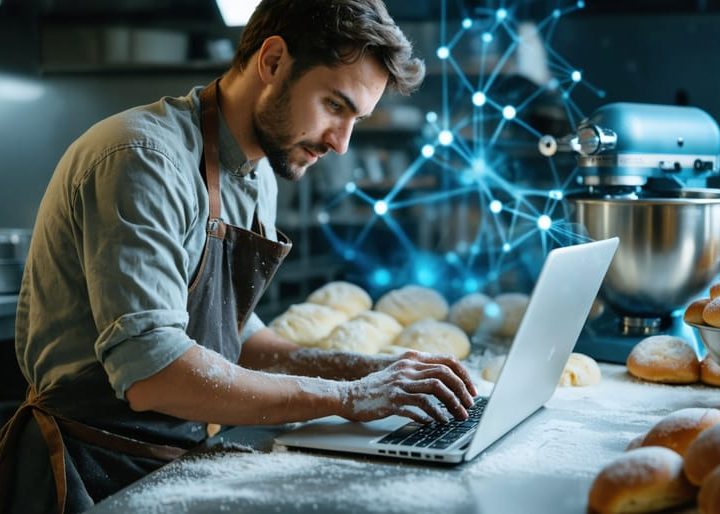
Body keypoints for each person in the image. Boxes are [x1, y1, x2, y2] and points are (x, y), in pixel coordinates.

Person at [0, 1, 477, 512]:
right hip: (89, 472)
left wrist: (374, 371)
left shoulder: (257, 176)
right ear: (272, 62)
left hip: (174, 462)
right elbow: (153, 372)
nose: (341, 143)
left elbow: (234, 337)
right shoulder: (143, 160)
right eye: (335, 106)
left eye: (355, 118)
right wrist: (348, 400)